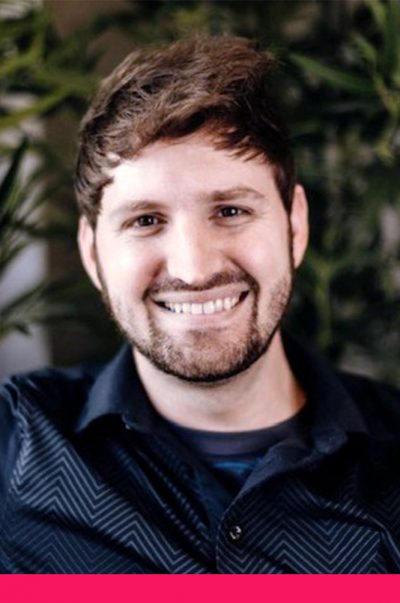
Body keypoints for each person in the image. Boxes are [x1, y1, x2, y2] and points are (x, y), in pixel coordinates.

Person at [1, 35, 400, 574]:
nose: (193, 269)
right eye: (146, 221)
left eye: (231, 211)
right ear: (92, 254)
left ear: (295, 225)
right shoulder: (15, 445)